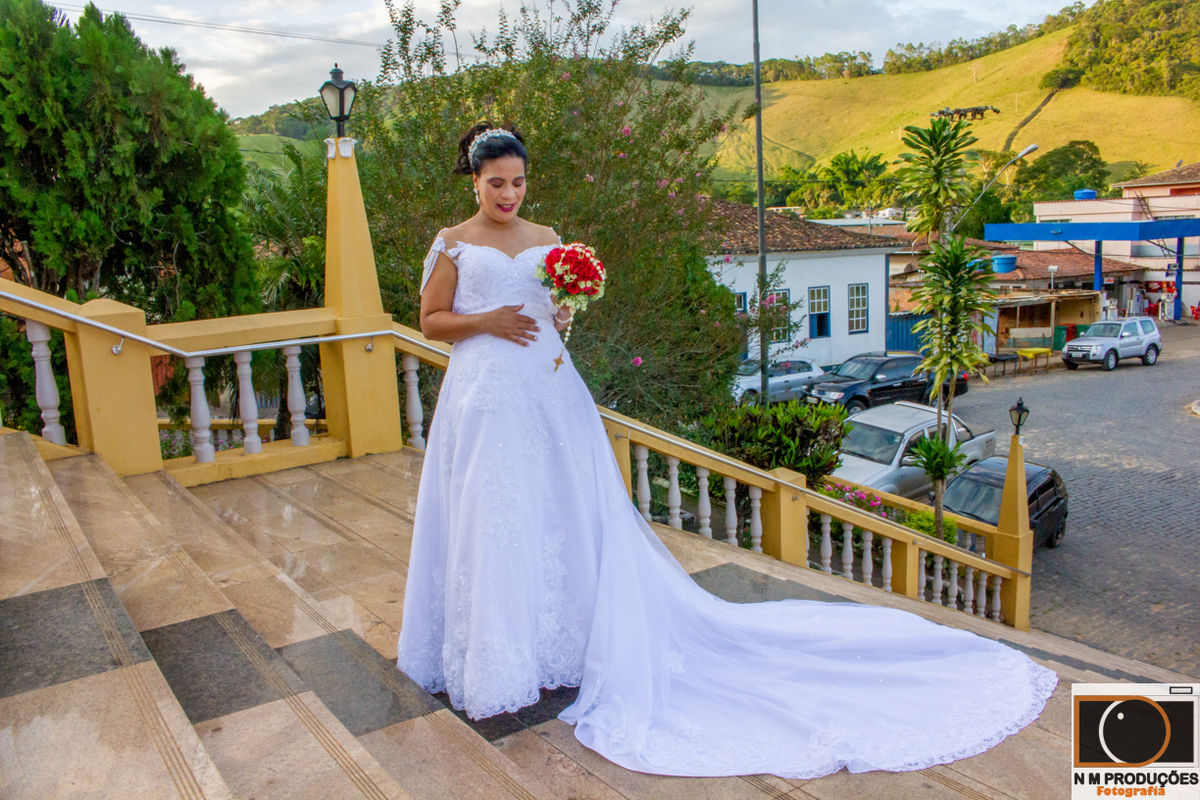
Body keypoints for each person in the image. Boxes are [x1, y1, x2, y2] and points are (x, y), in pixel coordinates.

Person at [397, 122, 1057, 780]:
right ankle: (497, 655)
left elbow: (553, 309)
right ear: (474, 180)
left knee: (565, 513)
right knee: (494, 517)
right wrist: (489, 320)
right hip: (484, 397)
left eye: (517, 182)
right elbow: (431, 321)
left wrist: (564, 311)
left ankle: (564, 642)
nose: (508, 194)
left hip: (549, 388)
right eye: (496, 184)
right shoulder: (453, 244)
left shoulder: (546, 240)